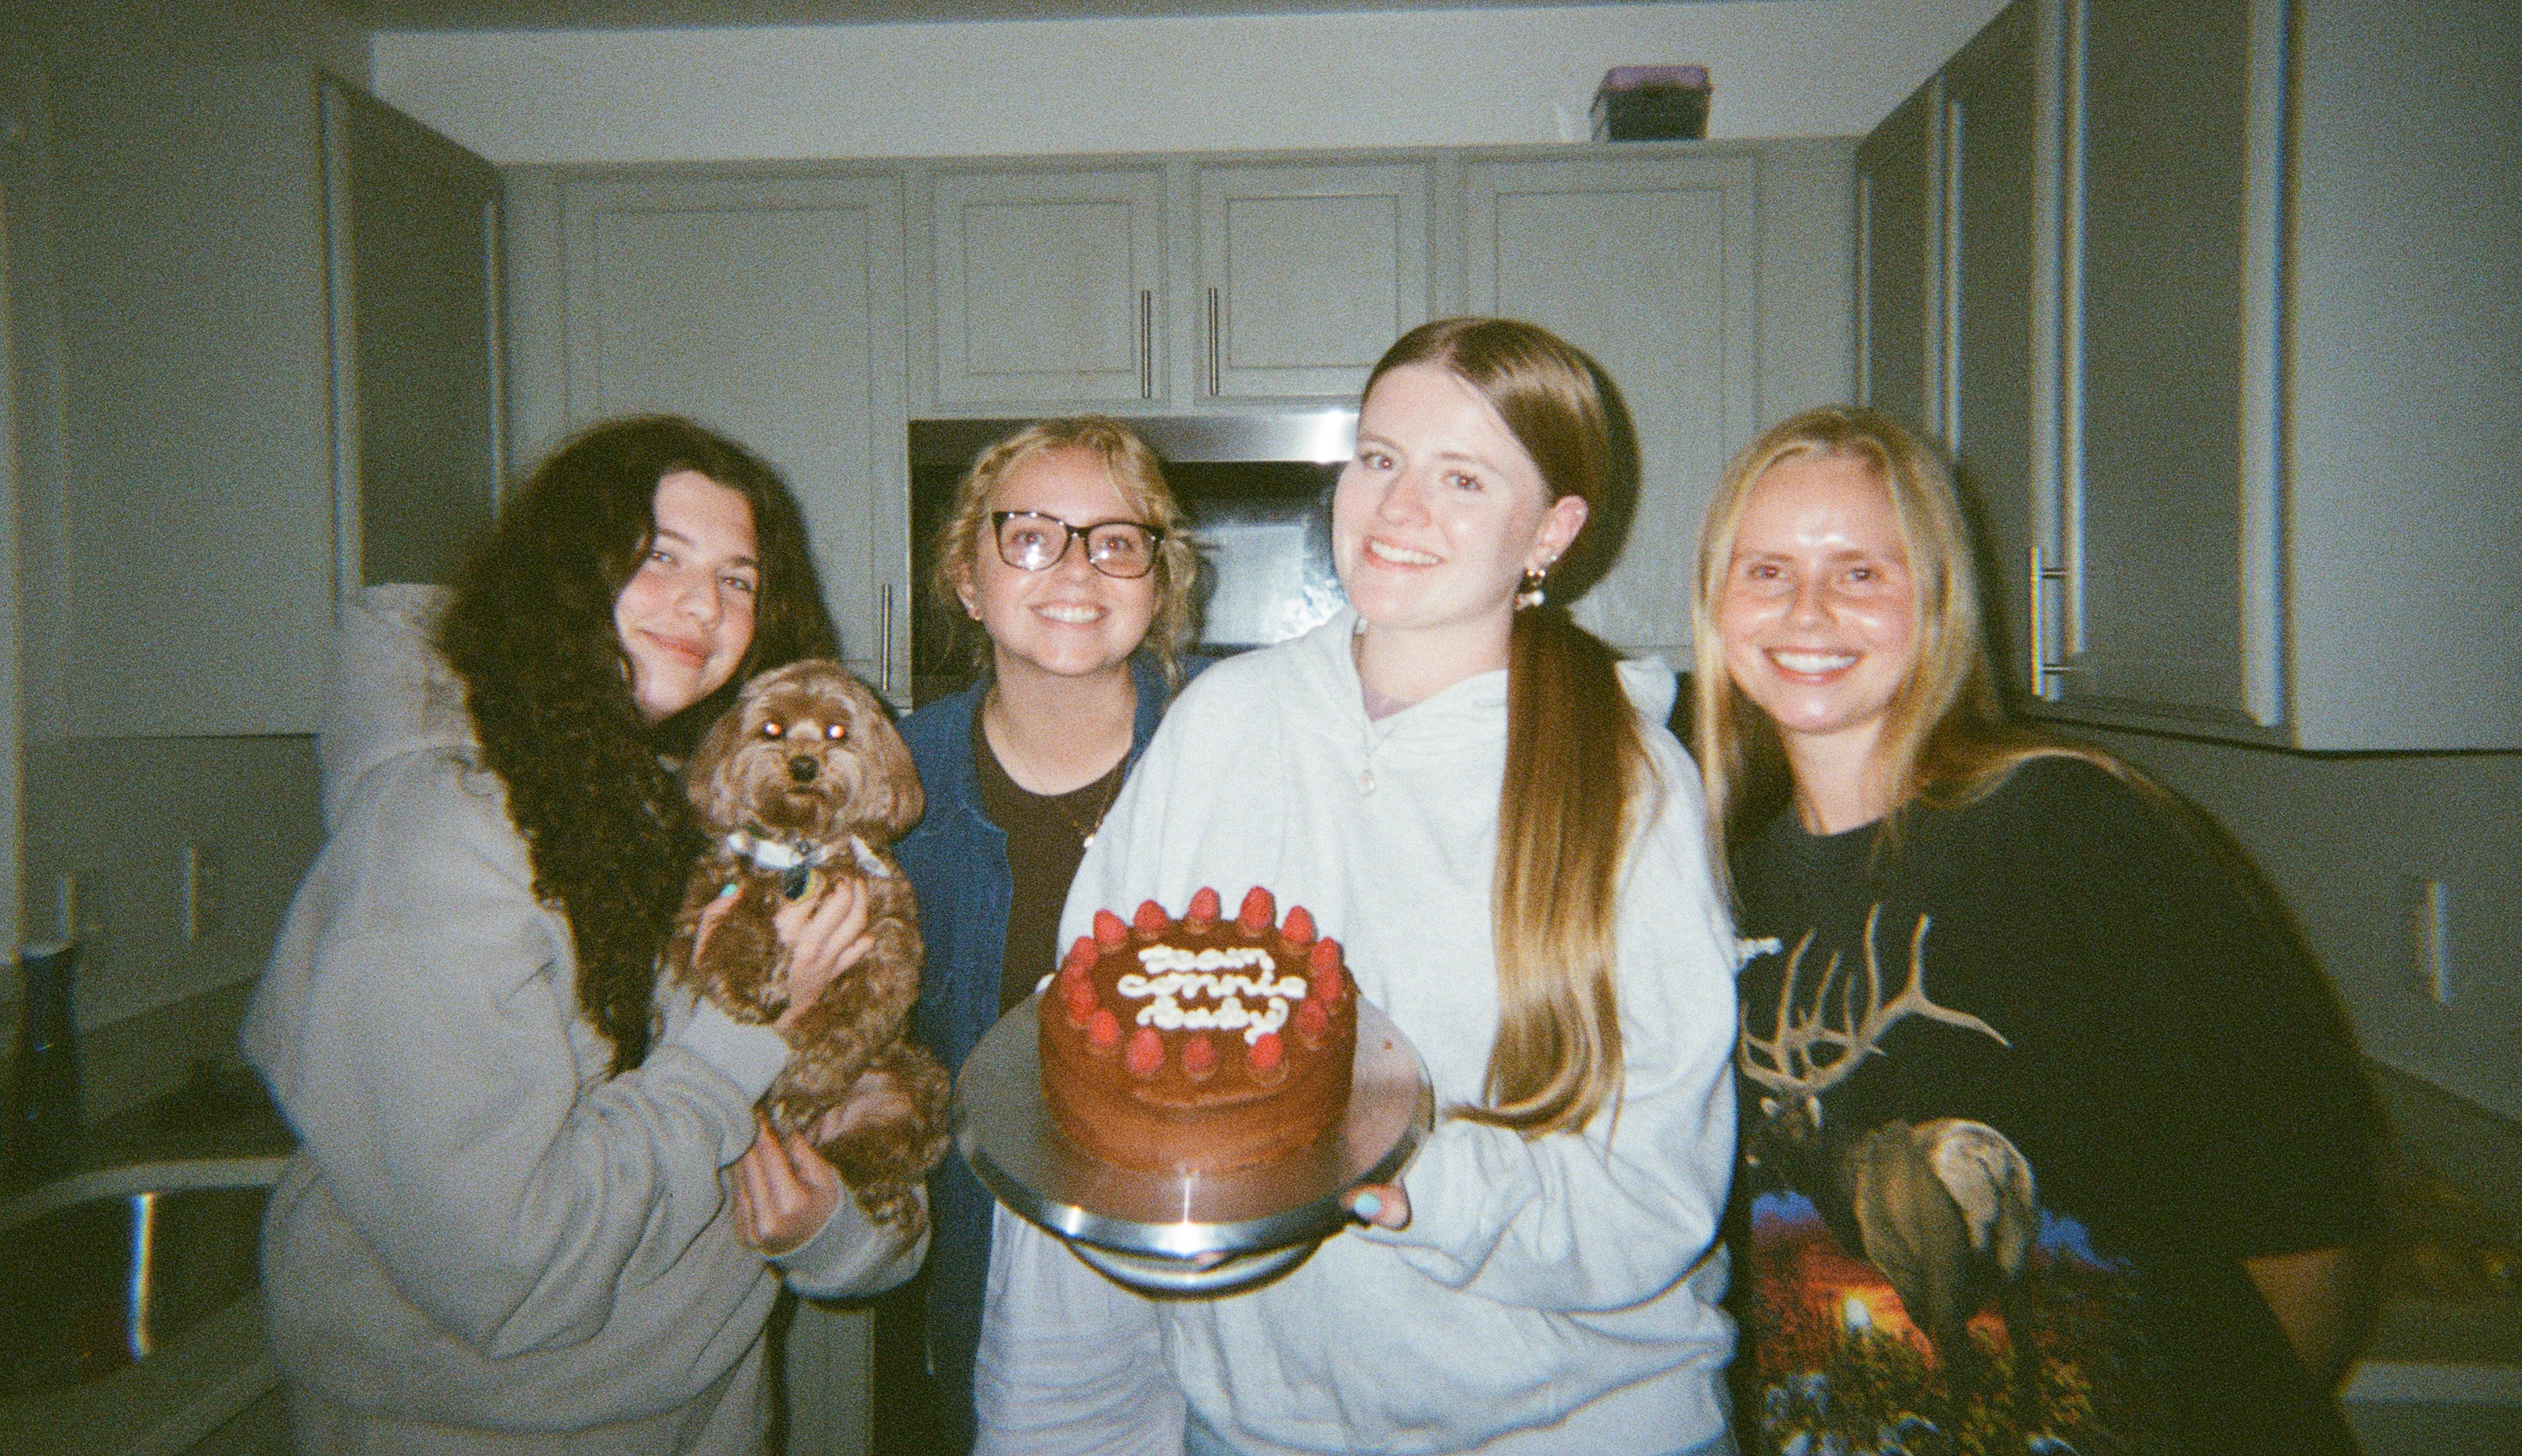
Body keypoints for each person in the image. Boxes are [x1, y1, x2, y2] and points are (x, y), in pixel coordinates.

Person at [973, 319, 1742, 1456]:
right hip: (1252, 1434)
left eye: (1463, 478)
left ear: (1554, 530)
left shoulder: (1632, 790)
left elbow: (1657, 1205)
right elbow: (1090, 1091)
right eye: (1378, 459)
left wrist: (1402, 1167)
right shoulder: (1219, 729)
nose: (1396, 509)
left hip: (1578, 1430)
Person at [1691, 405, 2383, 1456]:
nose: (1809, 611)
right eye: (1767, 571)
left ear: (1938, 598)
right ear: (1717, 602)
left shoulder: (2076, 828)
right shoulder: (1717, 879)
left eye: (1862, 573)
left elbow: (2304, 1200)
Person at [245, 415, 927, 1455]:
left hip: (708, 1408)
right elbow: (513, 1270)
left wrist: (833, 1233)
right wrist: (760, 1026)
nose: (704, 605)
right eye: (662, 557)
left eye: (740, 579)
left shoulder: (678, 815)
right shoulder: (436, 842)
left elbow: (794, 1134)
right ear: (564, 576)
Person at [890, 417, 1203, 1453]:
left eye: (1117, 539)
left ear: (1160, 581)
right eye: (1030, 534)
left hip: (1229, 1291)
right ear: (968, 579)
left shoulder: (1236, 756)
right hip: (986, 1294)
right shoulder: (890, 789)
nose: (1078, 568)